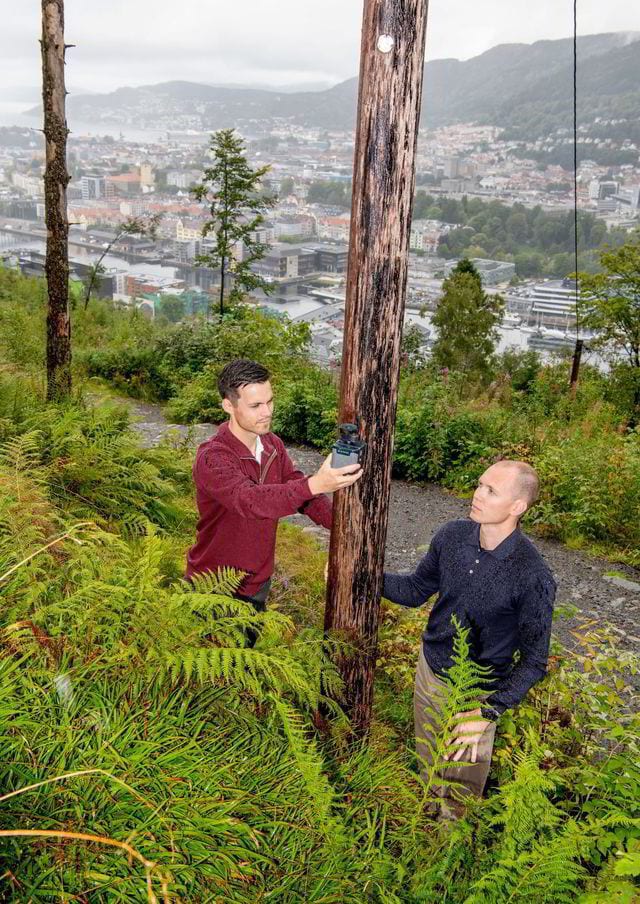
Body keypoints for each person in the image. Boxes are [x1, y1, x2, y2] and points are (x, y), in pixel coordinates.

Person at [382, 460, 556, 818]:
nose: (477, 494)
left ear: (517, 507)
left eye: (491, 490)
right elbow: (416, 589)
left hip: (476, 693)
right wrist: (362, 574)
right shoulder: (452, 536)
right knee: (428, 764)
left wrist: (486, 713)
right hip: (430, 672)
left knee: (459, 791)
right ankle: (423, 833)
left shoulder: (532, 576)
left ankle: (450, 854)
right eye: (479, 485)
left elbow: (535, 661)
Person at [186, 358, 362, 611]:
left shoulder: (272, 445)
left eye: (269, 401)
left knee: (249, 648)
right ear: (228, 405)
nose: (267, 412)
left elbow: (298, 490)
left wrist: (342, 528)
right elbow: (249, 500)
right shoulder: (212, 458)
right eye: (256, 405)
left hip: (257, 584)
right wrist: (315, 484)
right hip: (212, 587)